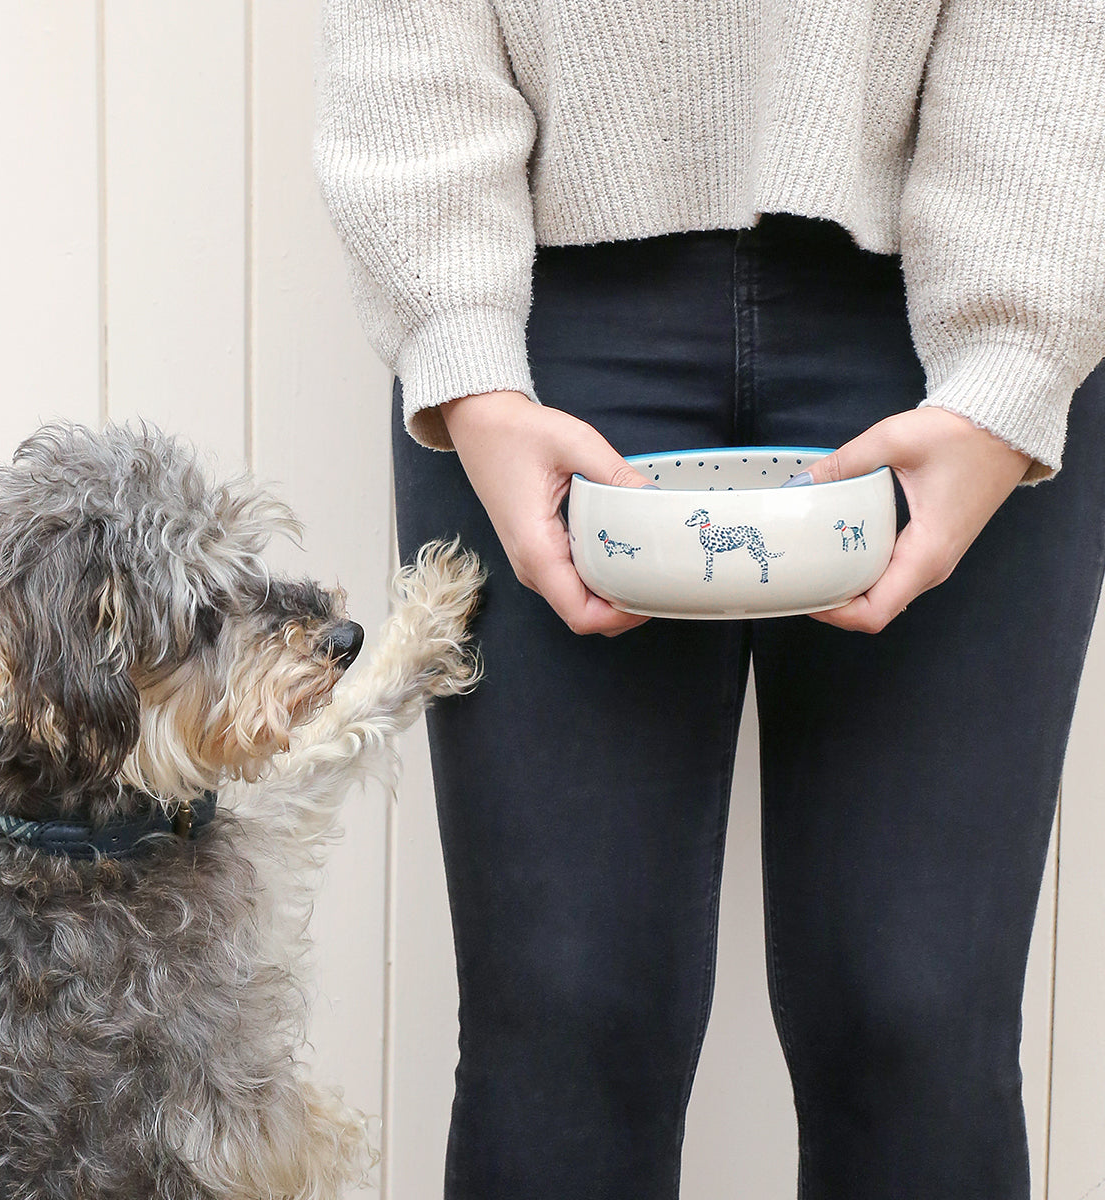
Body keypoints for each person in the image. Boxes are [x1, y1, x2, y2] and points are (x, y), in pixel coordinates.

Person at [313, 3, 1105, 1197]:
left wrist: (1017, 357)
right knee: (563, 1021)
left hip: (971, 289)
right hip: (536, 319)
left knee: (917, 1020)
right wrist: (460, 345)